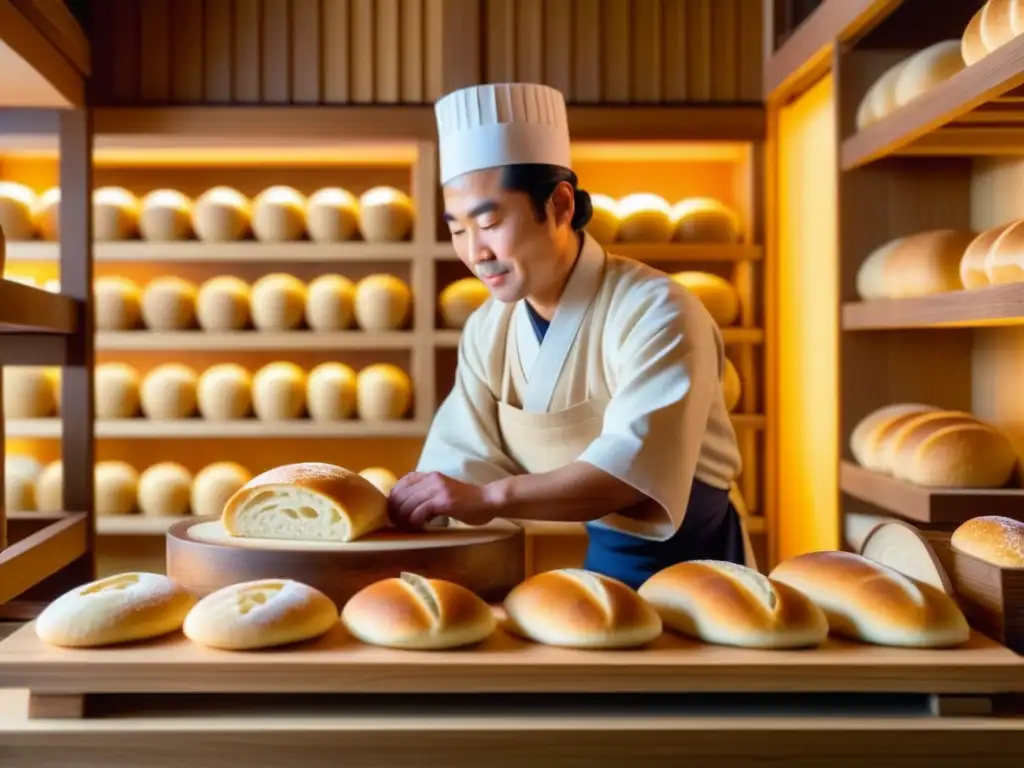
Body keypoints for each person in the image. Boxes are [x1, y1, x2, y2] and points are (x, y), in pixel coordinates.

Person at [387, 82, 755, 588]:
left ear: (560, 206)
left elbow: (629, 471)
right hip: (605, 558)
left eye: (489, 222)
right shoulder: (487, 329)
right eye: (457, 231)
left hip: (698, 563)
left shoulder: (658, 310)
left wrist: (490, 498)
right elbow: (461, 459)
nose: (476, 252)